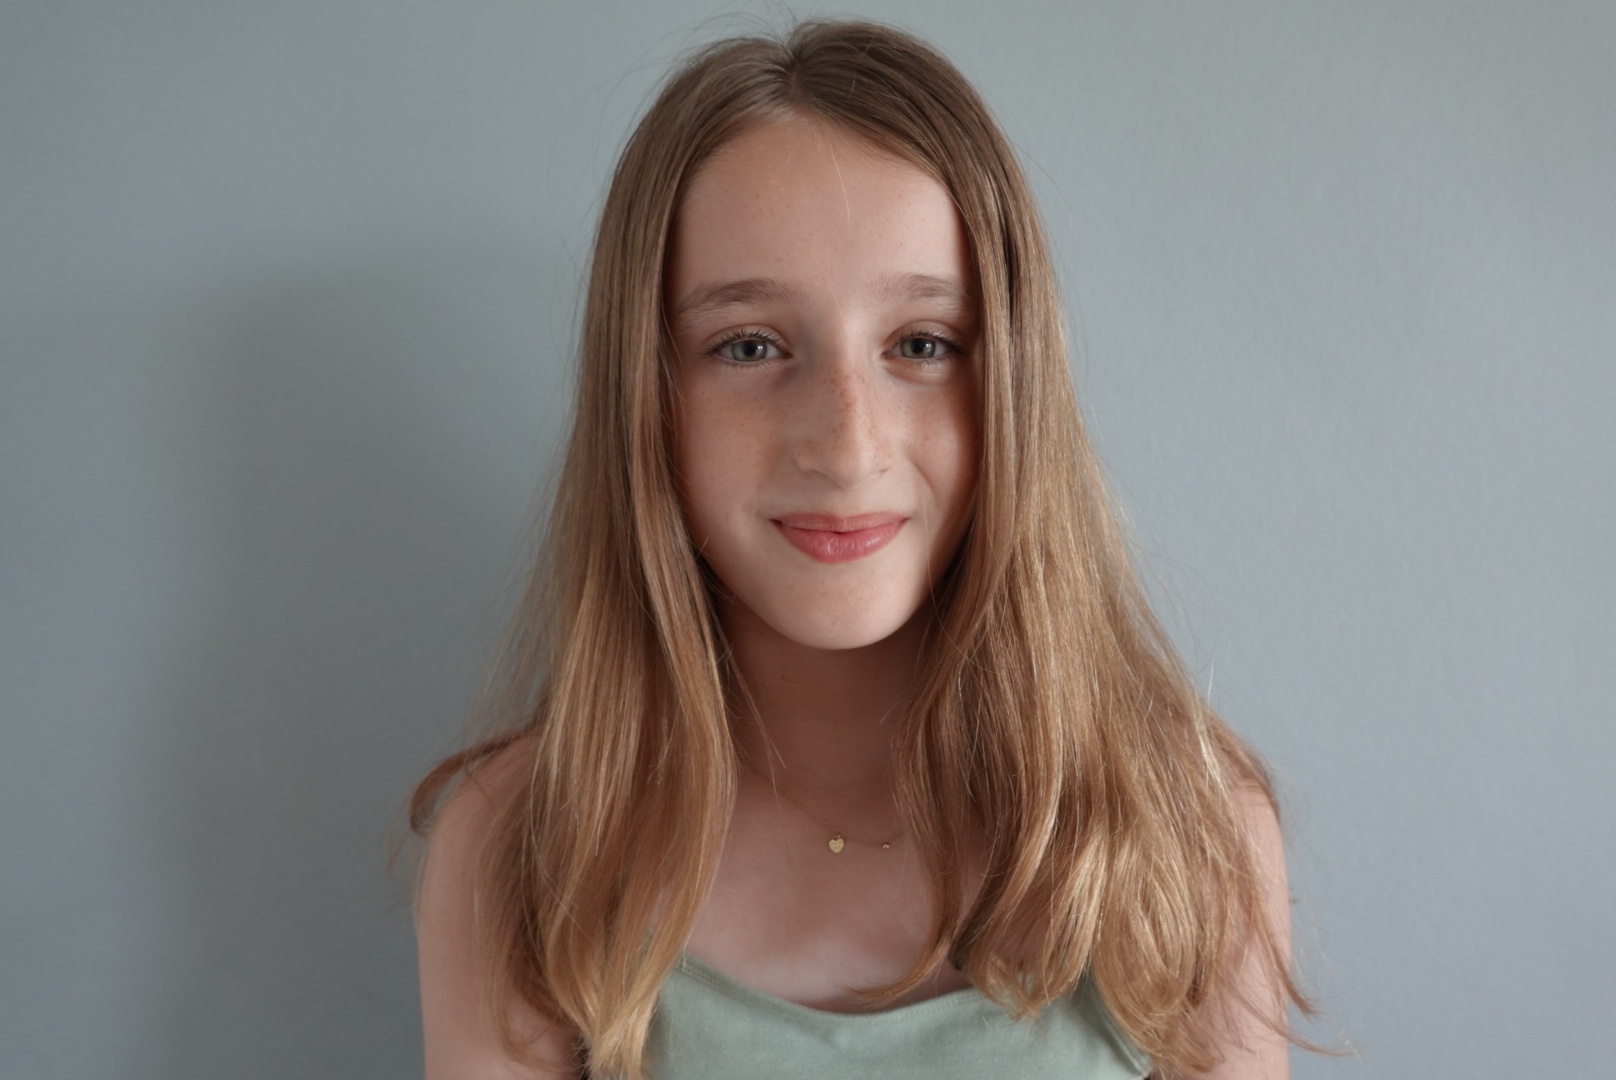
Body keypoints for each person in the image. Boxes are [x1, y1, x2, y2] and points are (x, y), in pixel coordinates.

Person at [411, 19, 1309, 1080]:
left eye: (921, 344)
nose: (845, 446)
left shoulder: (1187, 829)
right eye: (749, 346)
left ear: (1013, 386)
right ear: (645, 398)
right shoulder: (520, 849)